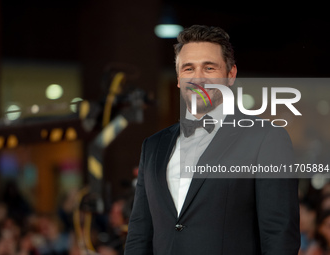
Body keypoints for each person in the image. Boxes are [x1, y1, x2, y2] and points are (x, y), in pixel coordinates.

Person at [124, 25, 300, 254]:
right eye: (189, 68)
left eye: (209, 67)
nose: (198, 77)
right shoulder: (153, 146)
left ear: (231, 75)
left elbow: (279, 235)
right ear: (179, 79)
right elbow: (139, 231)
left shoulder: (266, 138)